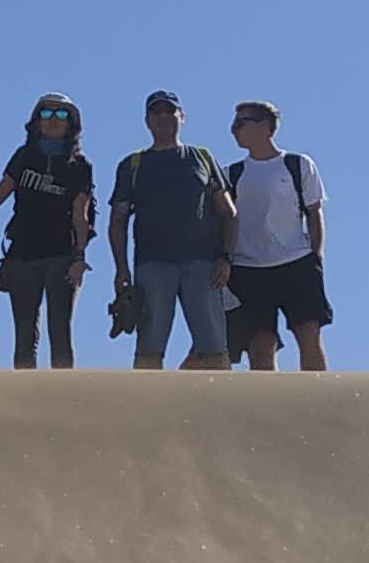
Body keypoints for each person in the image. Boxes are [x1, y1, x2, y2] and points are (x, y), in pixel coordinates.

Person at [108, 89, 233, 370]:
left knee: (214, 346)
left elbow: (228, 212)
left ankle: (224, 408)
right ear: (147, 120)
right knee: (150, 345)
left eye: (170, 111)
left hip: (202, 264)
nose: (163, 117)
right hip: (152, 264)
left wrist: (225, 257)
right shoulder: (132, 165)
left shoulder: (201, 157)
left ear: (182, 117)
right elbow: (118, 220)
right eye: (156, 112)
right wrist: (121, 268)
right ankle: (145, 409)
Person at [0, 94, 95, 368]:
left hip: (62, 256)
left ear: (71, 124)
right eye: (47, 113)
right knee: (25, 336)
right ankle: (25, 402)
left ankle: (65, 400)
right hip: (22, 257)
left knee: (60, 332)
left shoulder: (79, 165)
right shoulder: (23, 157)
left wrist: (79, 257)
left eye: (61, 115)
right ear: (36, 121)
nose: (53, 119)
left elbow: (81, 216)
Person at [226, 101, 334, 372]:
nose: (233, 130)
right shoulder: (232, 174)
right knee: (260, 346)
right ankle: (265, 409)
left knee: (308, 334)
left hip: (296, 263)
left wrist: (315, 256)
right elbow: (225, 221)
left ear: (264, 126)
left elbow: (314, 212)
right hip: (248, 269)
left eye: (241, 123)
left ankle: (316, 401)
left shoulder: (298, 164)